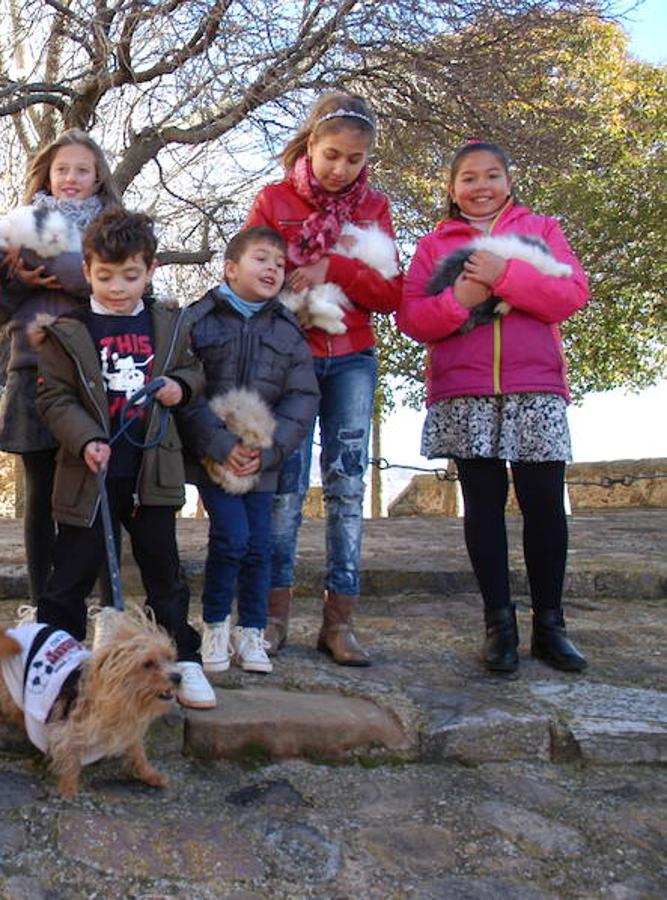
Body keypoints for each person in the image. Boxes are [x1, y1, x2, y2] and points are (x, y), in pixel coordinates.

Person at [398, 141, 589, 674]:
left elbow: (571, 294)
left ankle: (550, 626)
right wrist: (461, 298)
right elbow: (413, 320)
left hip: (535, 387)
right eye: (468, 178)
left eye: (492, 175)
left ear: (508, 180)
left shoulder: (542, 230)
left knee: (546, 505)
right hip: (465, 389)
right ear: (453, 188)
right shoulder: (434, 244)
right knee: (483, 507)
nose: (480, 186)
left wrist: (504, 276)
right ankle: (498, 627)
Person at [32, 208, 214, 709]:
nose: (117, 287)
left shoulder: (168, 325)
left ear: (150, 271)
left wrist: (180, 386)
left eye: (130, 276)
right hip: (89, 476)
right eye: (105, 276)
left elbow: (193, 372)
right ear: (87, 271)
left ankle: (184, 662)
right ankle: (52, 664)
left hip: (151, 473)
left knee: (164, 572)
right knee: (69, 574)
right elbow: (52, 399)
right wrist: (87, 438)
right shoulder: (69, 331)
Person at [244, 92, 402, 666]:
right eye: (332, 155)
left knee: (348, 487)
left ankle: (339, 622)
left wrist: (335, 266)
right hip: (292, 357)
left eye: (354, 160)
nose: (341, 169)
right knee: (285, 488)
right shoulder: (274, 199)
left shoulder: (374, 208)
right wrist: (287, 275)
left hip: (354, 357)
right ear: (311, 145)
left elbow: (390, 293)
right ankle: (273, 616)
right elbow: (246, 274)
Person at [177, 227, 318, 675]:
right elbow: (185, 387)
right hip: (214, 457)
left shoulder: (288, 329)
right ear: (231, 268)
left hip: (263, 458)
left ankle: (250, 630)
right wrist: (218, 444)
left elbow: (302, 397)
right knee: (232, 537)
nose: (273, 269)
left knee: (262, 545)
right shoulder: (197, 320)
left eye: (279, 264)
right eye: (262, 259)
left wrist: (271, 450)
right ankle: (216, 623)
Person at [0, 130, 121, 609]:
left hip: (98, 370)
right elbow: (0, 305)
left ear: (97, 176)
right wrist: (13, 273)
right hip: (33, 365)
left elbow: (124, 279)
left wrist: (53, 261)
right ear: (46, 174)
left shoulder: (116, 226)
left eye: (81, 170)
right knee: (40, 492)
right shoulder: (19, 225)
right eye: (61, 169)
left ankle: (111, 606)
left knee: (100, 489)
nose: (71, 179)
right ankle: (42, 604)